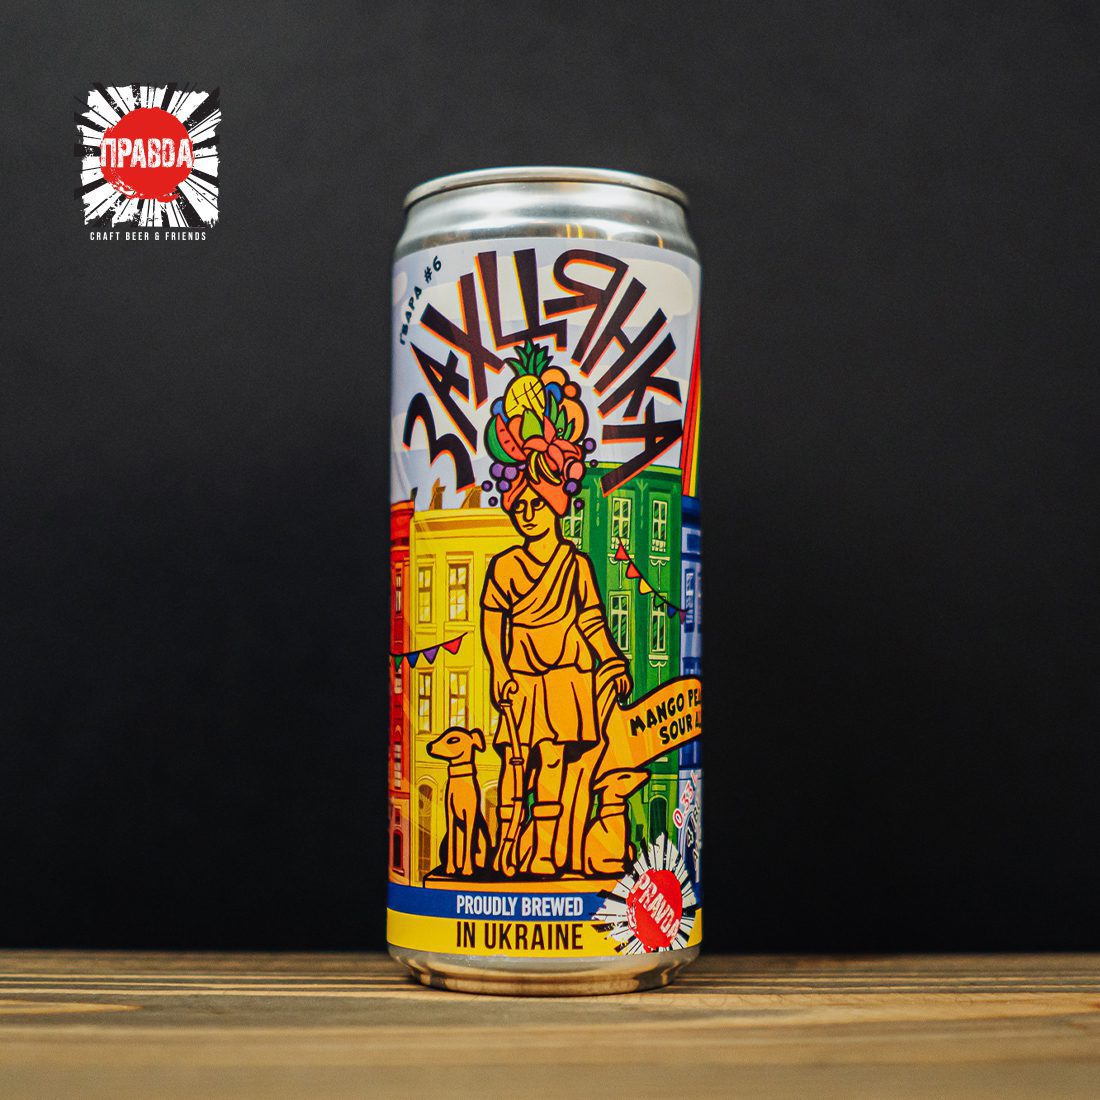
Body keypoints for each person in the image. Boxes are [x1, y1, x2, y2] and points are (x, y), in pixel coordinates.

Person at [481, 485, 631, 875]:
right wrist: (499, 668)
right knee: (514, 762)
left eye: (538, 504)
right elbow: (493, 620)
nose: (528, 513)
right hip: (522, 675)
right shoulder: (506, 566)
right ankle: (507, 846)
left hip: (567, 674)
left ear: (556, 507)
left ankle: (545, 854)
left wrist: (611, 657)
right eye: (520, 507)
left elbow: (591, 620)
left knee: (553, 759)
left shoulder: (576, 565)